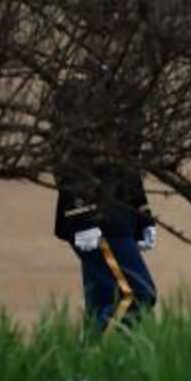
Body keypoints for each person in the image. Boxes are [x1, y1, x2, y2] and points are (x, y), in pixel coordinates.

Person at [51, 77, 157, 331]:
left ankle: (90, 366)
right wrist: (82, 216)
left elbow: (129, 164)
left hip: (120, 218)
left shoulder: (130, 93)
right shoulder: (79, 93)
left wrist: (143, 217)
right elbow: (69, 159)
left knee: (102, 301)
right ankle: (99, 359)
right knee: (136, 295)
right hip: (97, 222)